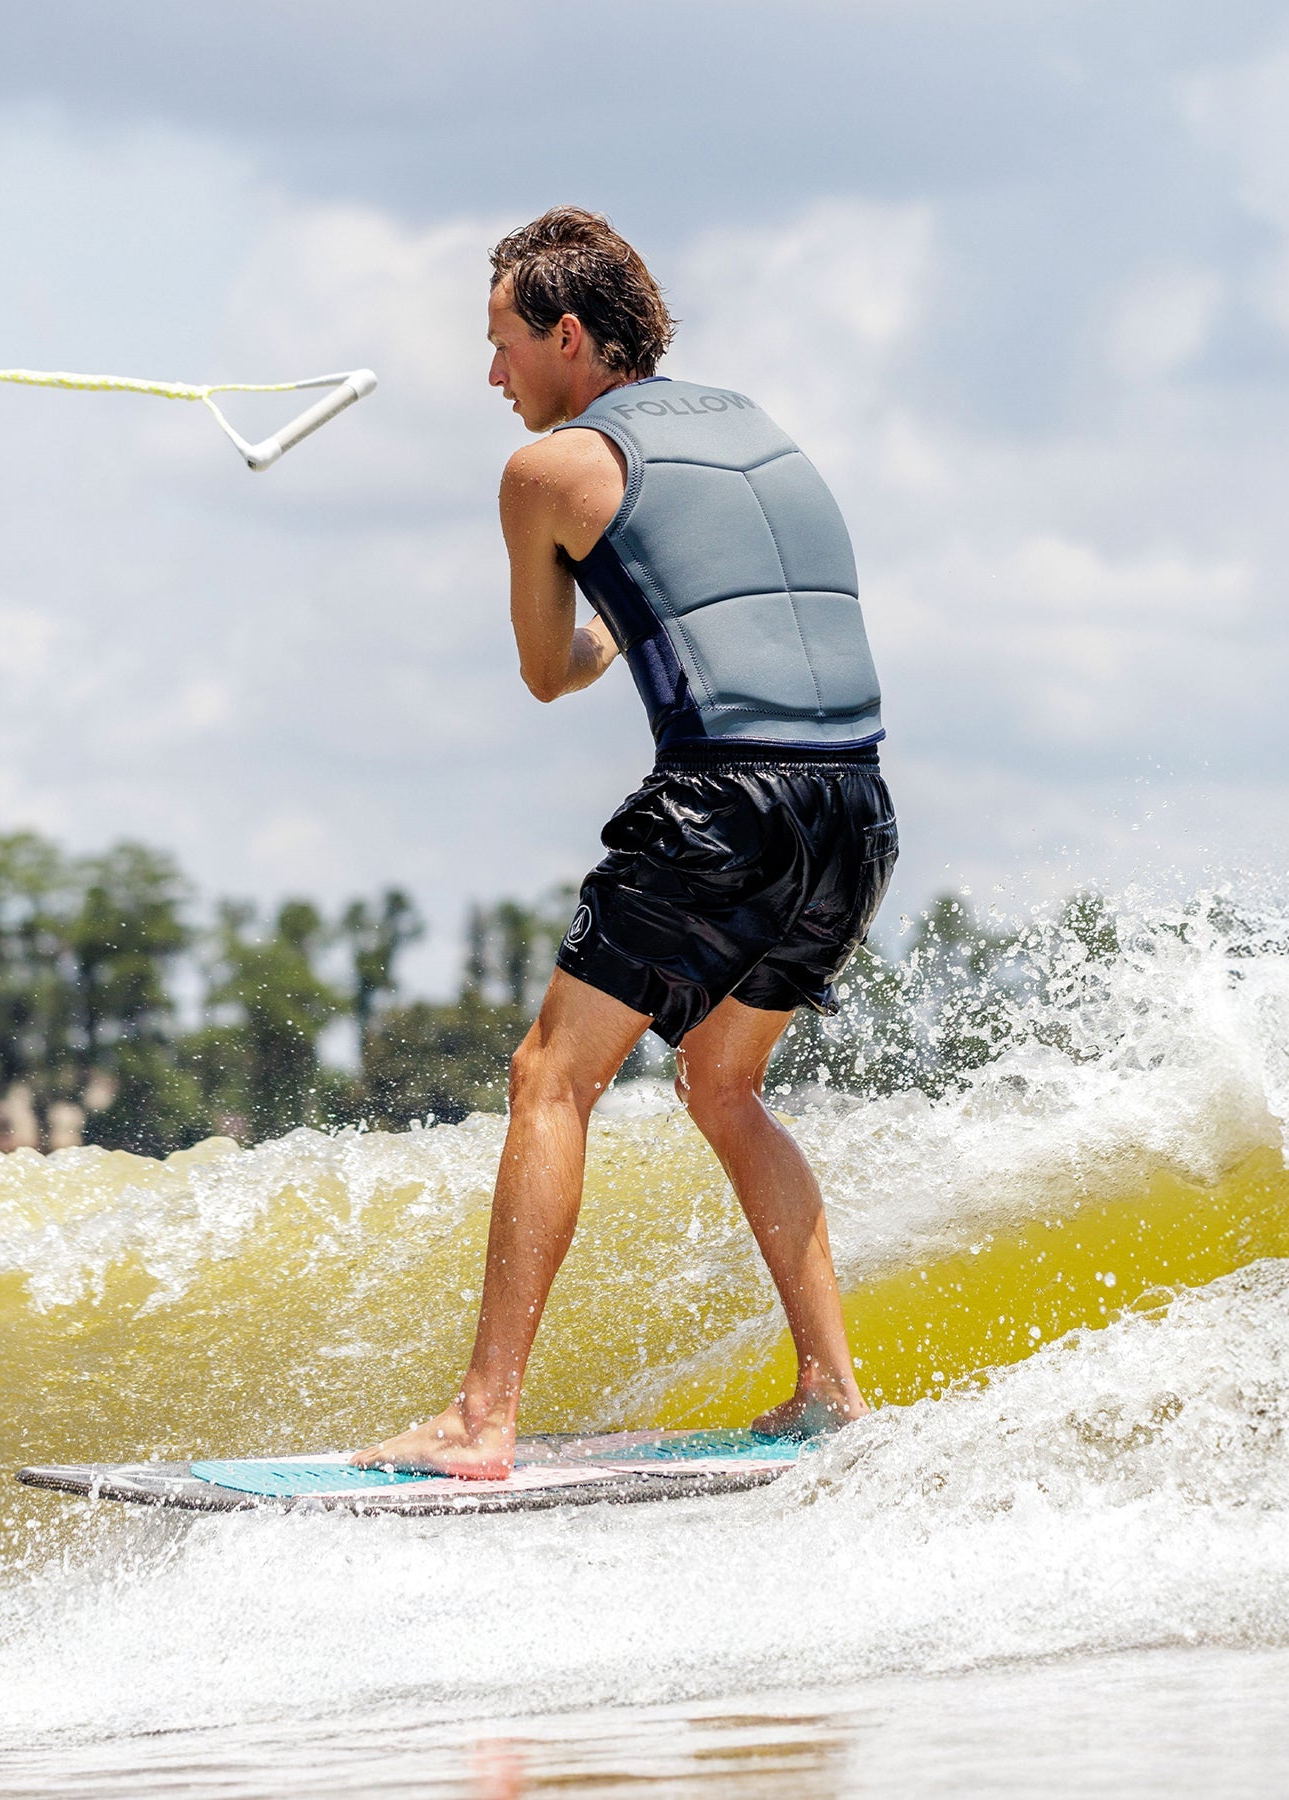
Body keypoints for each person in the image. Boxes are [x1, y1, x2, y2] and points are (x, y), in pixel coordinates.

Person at [355, 207, 898, 1479]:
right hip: (856, 810)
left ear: (567, 334)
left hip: (725, 803)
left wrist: (610, 633)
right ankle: (831, 1388)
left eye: (500, 346)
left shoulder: (550, 473)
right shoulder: (760, 425)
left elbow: (553, 671)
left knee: (550, 1076)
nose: (492, 378)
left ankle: (481, 1422)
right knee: (724, 1085)